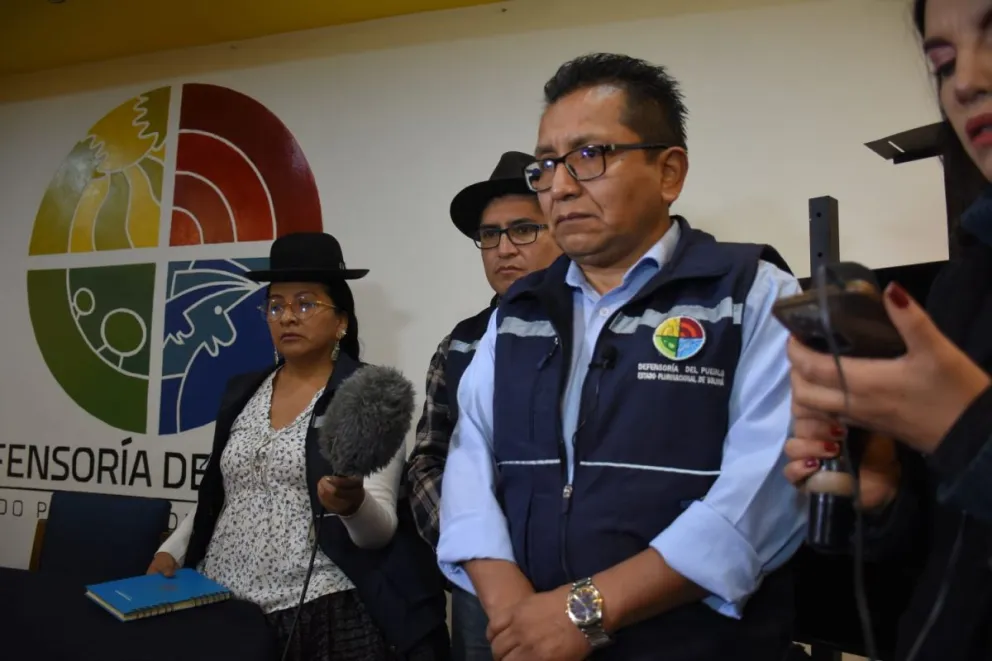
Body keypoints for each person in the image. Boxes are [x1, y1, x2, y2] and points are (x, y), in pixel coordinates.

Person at [436, 53, 807, 661]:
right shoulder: (519, 314)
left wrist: (580, 613)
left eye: (589, 156)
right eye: (547, 164)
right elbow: (470, 459)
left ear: (669, 172)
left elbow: (765, 493)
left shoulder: (752, 294)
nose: (559, 185)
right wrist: (513, 616)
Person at [783, 0, 992, 658]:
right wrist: (884, 496)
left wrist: (967, 430)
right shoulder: (966, 289)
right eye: (943, 63)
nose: (965, 81)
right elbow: (953, 554)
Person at [148, 232, 449, 661]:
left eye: (305, 303)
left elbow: (377, 532)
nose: (287, 316)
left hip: (319, 613)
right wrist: (170, 550)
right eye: (275, 305)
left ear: (341, 320)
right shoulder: (242, 391)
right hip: (223, 605)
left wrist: (350, 503)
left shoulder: (368, 393)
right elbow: (224, 494)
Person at [405, 151, 562, 661]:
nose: (502, 249)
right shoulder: (461, 345)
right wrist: (478, 556)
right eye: (489, 236)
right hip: (480, 589)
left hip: (580, 573)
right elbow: (428, 460)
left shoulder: (602, 328)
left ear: (562, 229)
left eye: (522, 230)